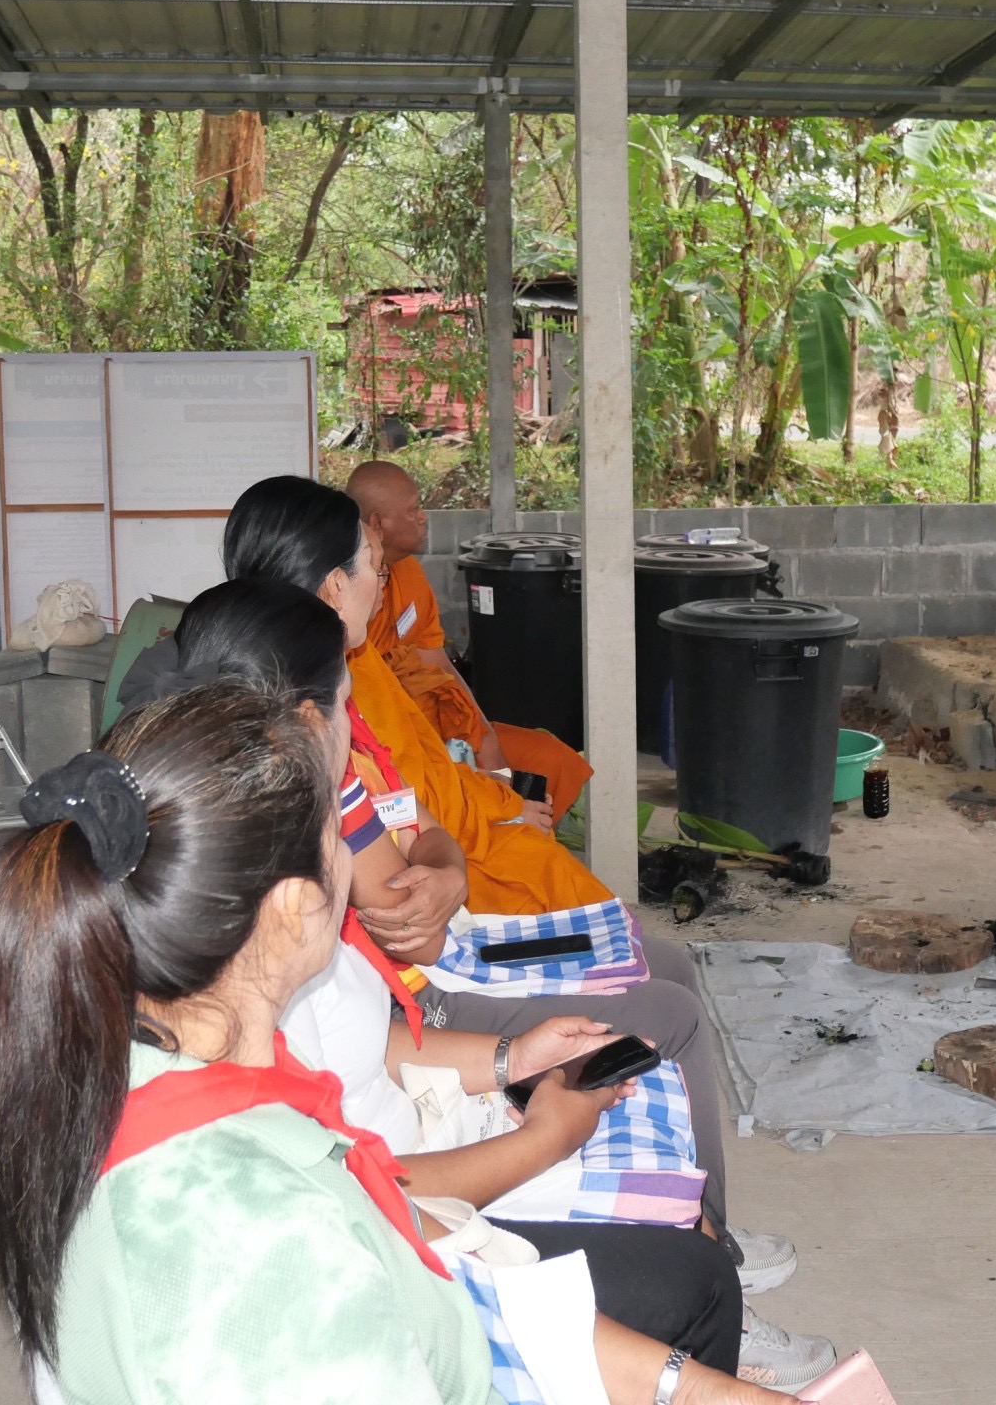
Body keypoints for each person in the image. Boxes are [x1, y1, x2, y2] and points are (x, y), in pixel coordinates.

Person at [0, 681, 797, 1405]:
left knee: (685, 1296)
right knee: (690, 1281)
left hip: (429, 1326)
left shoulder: (145, 1064)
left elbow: (395, 1232)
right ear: (293, 907)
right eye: (337, 832)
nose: (359, 855)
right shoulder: (259, 1236)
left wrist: (685, 1385)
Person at [151, 579, 835, 1389]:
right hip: (405, 1207)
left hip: (423, 1131)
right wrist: (541, 1138)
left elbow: (381, 1011)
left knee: (637, 1082)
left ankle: (697, 1240)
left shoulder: (269, 898)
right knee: (689, 1264)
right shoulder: (237, 1005)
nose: (349, 878)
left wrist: (513, 1055)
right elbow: (356, 1197)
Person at [223, 474, 612, 917]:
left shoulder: (327, 658)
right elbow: (412, 798)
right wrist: (502, 806)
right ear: (335, 585)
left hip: (434, 829)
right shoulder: (335, 682)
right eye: (373, 566)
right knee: (559, 885)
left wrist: (491, 780)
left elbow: (414, 781)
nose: (381, 583)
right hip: (420, 865)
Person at [347, 460, 593, 822]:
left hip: (441, 727)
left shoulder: (410, 574)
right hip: (400, 744)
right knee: (477, 796)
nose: (424, 517)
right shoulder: (350, 598)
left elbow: (436, 661)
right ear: (378, 523)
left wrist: (482, 730)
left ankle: (521, 827)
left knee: (548, 757)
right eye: (413, 510)